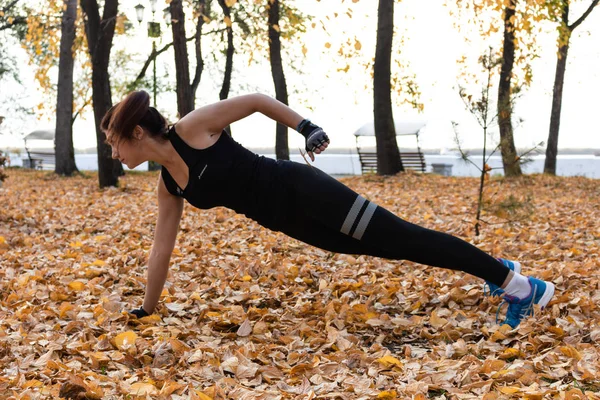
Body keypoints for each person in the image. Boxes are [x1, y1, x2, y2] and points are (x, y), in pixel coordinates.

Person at [102, 90, 555, 329]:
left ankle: (521, 287)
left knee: (405, 239)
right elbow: (161, 250)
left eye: (114, 142)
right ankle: (497, 269)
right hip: (290, 222)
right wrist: (147, 309)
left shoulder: (193, 126)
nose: (113, 152)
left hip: (304, 191)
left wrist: (307, 127)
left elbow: (257, 101)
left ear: (137, 132)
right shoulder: (169, 186)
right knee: (391, 247)